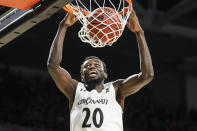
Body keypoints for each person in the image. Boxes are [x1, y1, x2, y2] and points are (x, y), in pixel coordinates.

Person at [47, 10, 154, 131]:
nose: (92, 66)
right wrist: (63, 26)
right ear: (82, 76)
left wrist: (139, 33)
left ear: (105, 74)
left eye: (97, 65)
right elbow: (53, 66)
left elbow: (147, 75)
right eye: (87, 66)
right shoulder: (75, 89)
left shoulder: (116, 89)